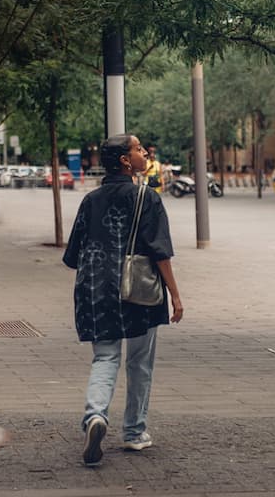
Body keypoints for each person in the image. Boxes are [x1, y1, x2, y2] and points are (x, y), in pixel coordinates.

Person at [63, 134, 183, 467]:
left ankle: (95, 417)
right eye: (139, 148)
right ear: (125, 161)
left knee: (105, 358)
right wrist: (175, 293)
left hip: (97, 291)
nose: (145, 152)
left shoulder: (90, 200)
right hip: (139, 291)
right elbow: (160, 252)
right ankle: (134, 433)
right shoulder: (148, 199)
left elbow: (72, 256)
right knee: (140, 361)